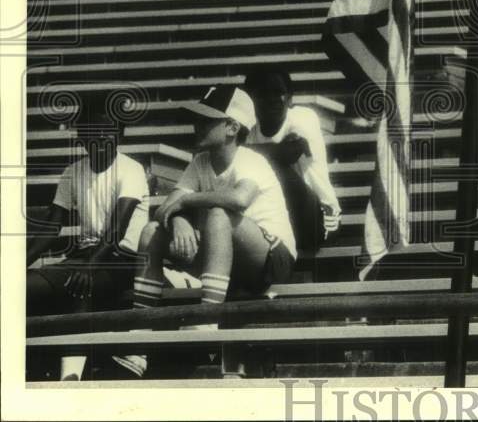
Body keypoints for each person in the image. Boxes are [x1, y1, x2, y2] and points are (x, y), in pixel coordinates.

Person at [111, 85, 296, 378]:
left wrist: (184, 202)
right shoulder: (199, 162)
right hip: (224, 258)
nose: (197, 125)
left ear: (232, 127)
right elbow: (166, 208)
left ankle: (207, 321)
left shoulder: (251, 160)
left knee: (219, 213)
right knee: (151, 232)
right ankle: (140, 332)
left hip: (271, 259)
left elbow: (238, 200)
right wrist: (179, 219)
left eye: (208, 120)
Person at [26, 91, 149, 381]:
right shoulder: (73, 172)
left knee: (80, 285)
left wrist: (89, 266)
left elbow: (116, 232)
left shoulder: (131, 169)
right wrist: (19, 262)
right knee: (21, 287)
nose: (100, 139)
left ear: (119, 134)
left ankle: (71, 379)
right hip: (84, 257)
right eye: (91, 132)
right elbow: (51, 227)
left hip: (121, 261)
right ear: (81, 136)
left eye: (108, 131)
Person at [243, 68, 341, 253]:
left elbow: (289, 153)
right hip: (277, 217)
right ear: (251, 100)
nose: (272, 99)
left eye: (278, 92)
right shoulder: (250, 131)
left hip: (318, 215)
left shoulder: (303, 117)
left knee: (269, 166)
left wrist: (240, 152)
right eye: (263, 94)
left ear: (290, 98)